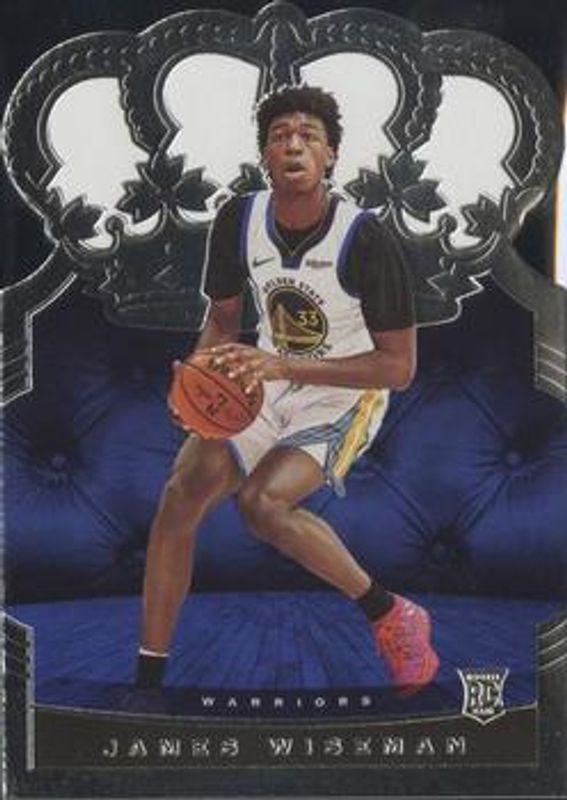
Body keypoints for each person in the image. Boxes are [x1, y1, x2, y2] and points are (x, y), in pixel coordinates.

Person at [136, 86, 439, 697]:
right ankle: (147, 680)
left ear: (330, 156)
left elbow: (398, 368)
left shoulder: (366, 239)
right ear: (265, 157)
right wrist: (196, 375)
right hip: (264, 378)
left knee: (263, 505)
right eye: (280, 136)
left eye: (308, 136)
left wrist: (281, 365)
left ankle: (389, 613)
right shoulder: (238, 220)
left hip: (345, 393)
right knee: (180, 494)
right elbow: (223, 320)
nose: (293, 145)